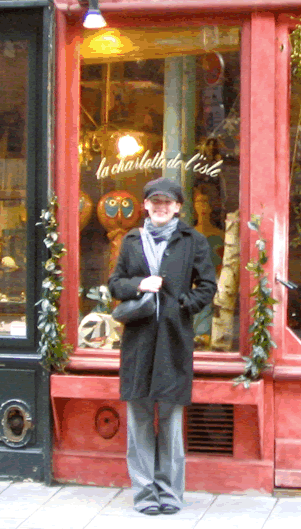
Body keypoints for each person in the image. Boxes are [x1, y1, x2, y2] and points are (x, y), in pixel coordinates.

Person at [108, 176, 217, 516]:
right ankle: (144, 494)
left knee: (169, 420)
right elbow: (115, 283)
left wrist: (183, 305)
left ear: (178, 208)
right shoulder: (130, 240)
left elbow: (208, 286)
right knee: (140, 417)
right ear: (145, 206)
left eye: (167, 203)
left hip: (173, 341)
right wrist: (140, 283)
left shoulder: (193, 240)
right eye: (155, 202)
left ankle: (169, 493)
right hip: (138, 342)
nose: (160, 207)